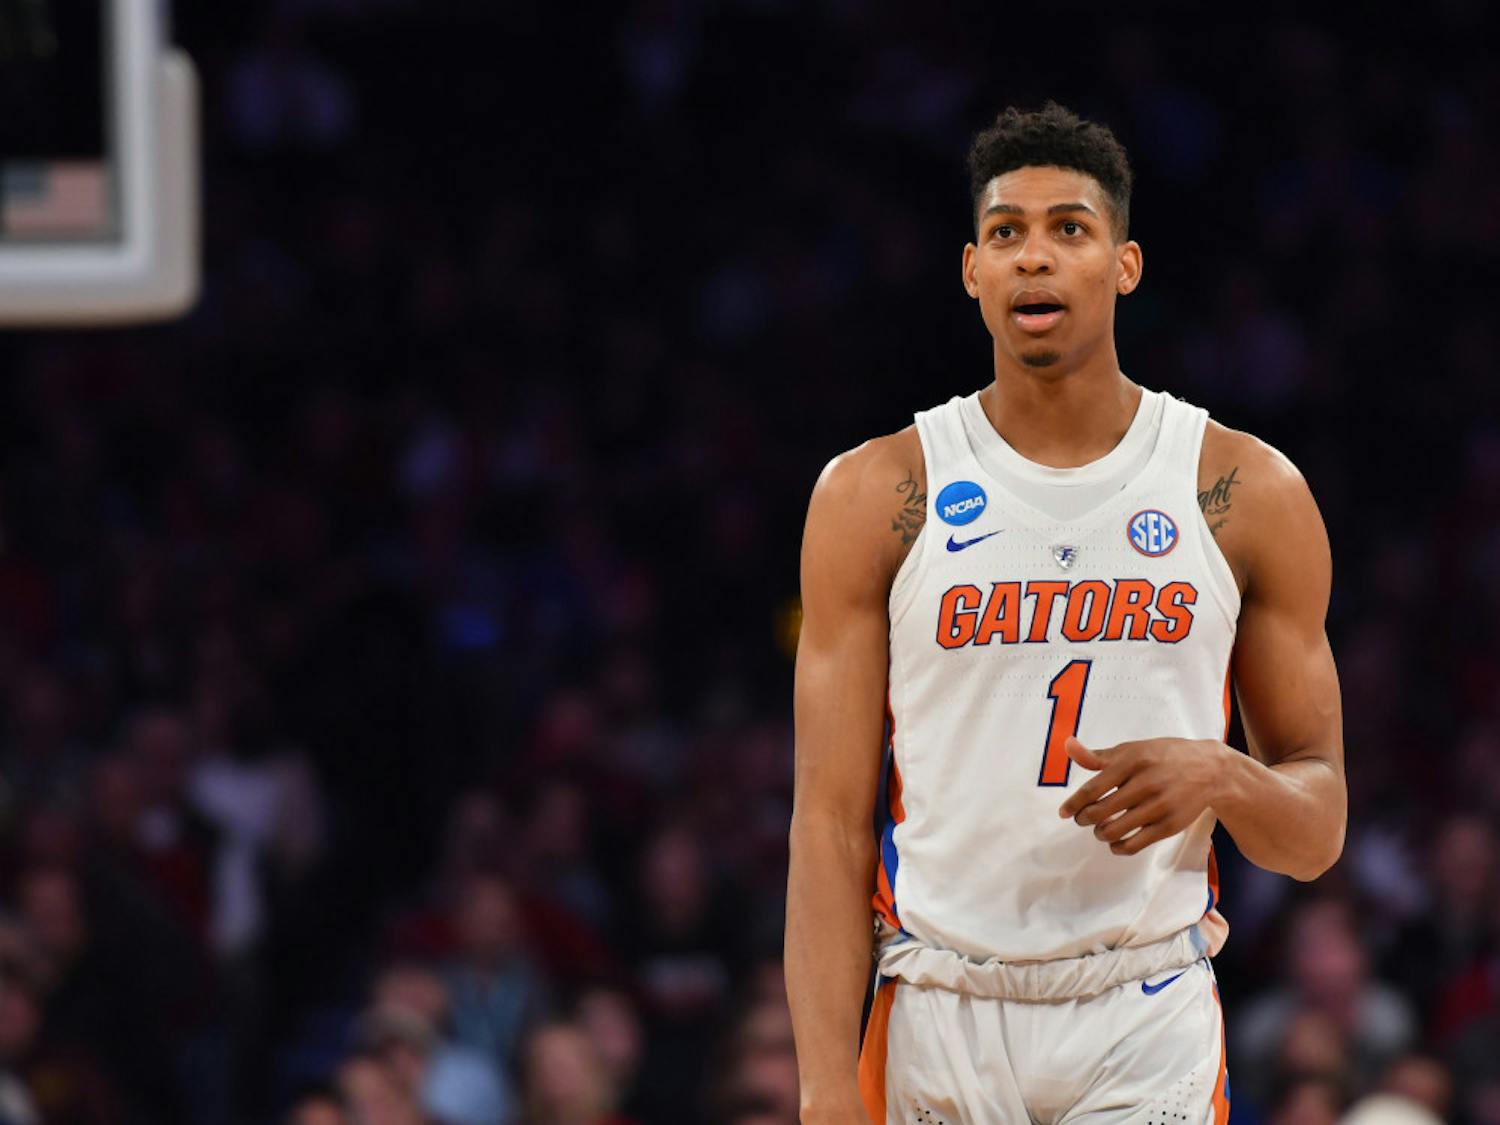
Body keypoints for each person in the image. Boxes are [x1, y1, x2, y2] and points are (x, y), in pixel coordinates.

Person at [784, 102, 1347, 1124]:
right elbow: (826, 824)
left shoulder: (1241, 490)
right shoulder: (876, 493)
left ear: (1125, 265)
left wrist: (1221, 773)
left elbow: (1314, 835)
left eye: (1069, 229)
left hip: (1144, 1006)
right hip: (938, 1004)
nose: (1034, 257)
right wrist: (824, 1090)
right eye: (1006, 232)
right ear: (972, 271)